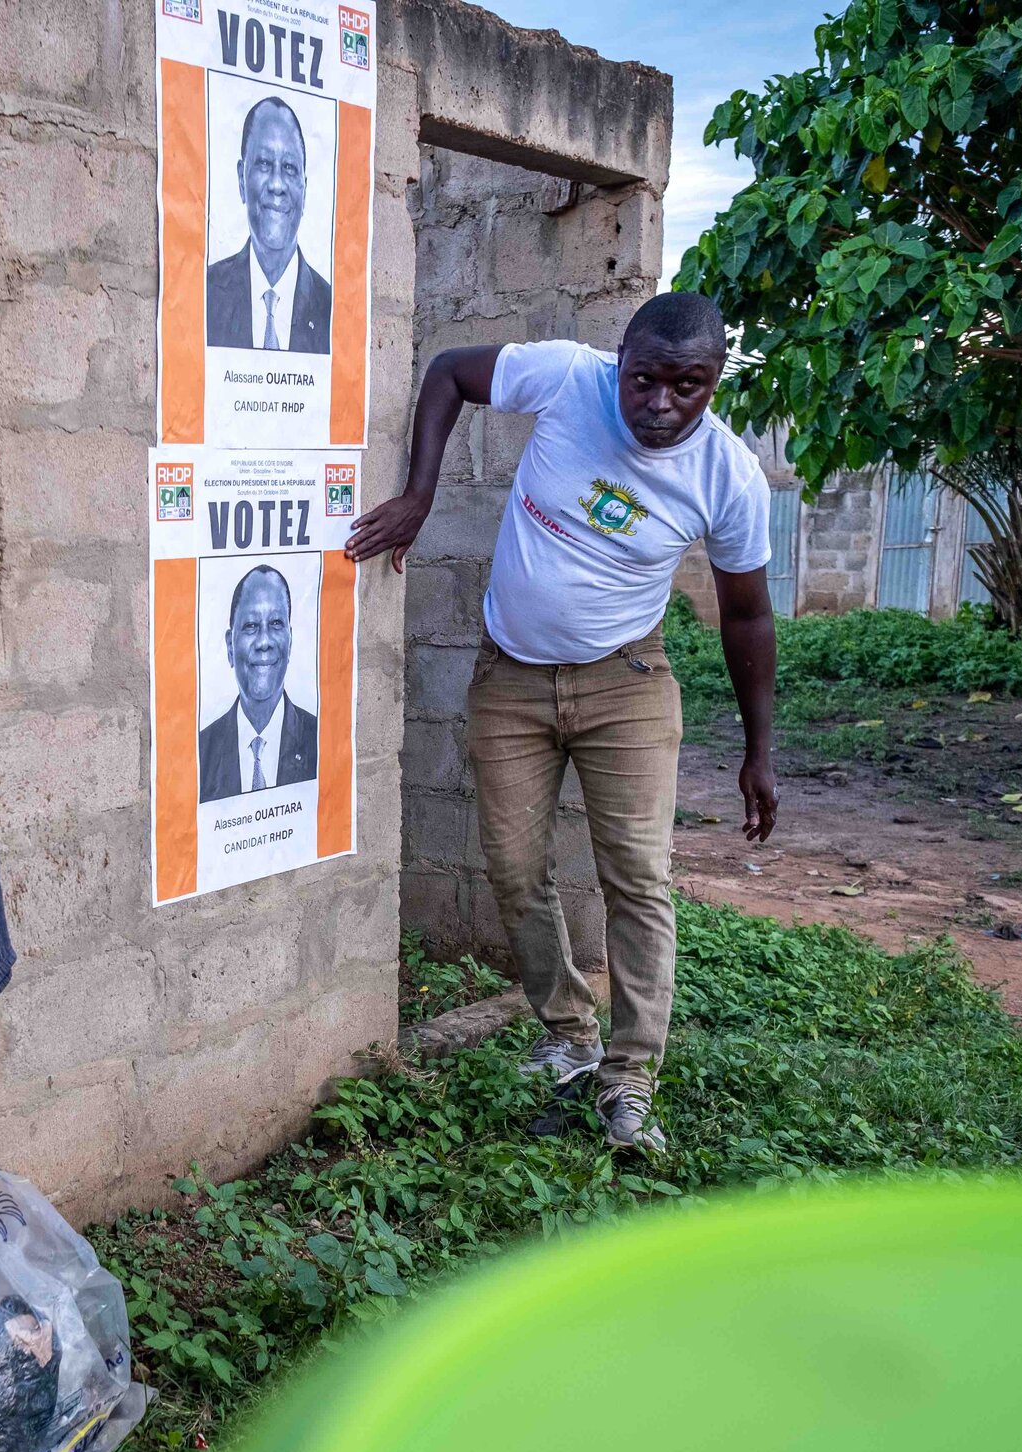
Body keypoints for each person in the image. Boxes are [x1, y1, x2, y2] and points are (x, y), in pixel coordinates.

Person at [345, 292, 779, 1154]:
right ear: (619, 360)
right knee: (511, 865)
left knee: (638, 880)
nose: (660, 403)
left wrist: (760, 750)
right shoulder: (567, 378)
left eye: (686, 386)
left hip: (628, 681)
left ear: (715, 380)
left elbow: (747, 617)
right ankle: (568, 1035)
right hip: (510, 676)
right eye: (644, 379)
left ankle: (629, 1079)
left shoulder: (729, 477)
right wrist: (420, 494)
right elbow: (449, 374)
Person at [204, 98, 331, 353]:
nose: (276, 184)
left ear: (304, 190)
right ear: (242, 179)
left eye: (289, 167)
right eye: (263, 163)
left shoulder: (331, 307)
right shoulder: (205, 294)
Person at [199, 564, 319, 800]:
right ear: (230, 646)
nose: (264, 641)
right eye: (251, 626)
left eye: (275, 623)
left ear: (290, 640)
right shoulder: (201, 752)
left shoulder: (321, 740)